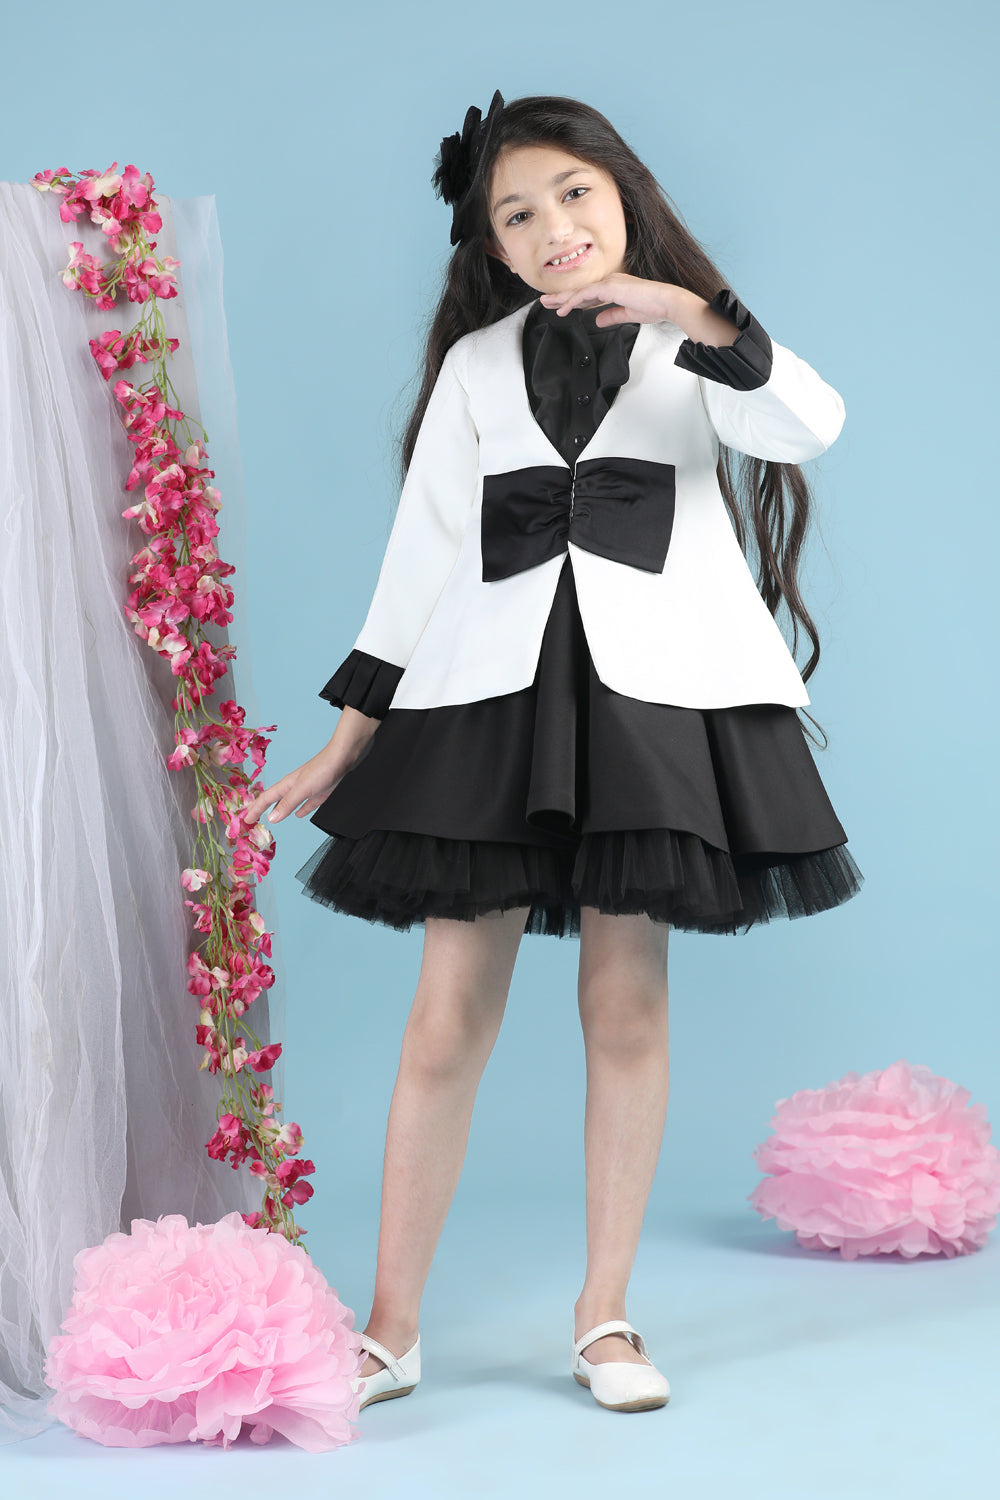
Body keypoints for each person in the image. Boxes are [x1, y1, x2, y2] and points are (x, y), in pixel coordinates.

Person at [243, 90, 864, 1415]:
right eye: (517, 215)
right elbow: (418, 562)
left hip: (652, 707)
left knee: (624, 1002)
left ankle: (606, 1318)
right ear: (493, 246)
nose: (553, 228)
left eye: (573, 195)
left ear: (623, 194)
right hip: (490, 701)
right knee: (444, 1017)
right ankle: (390, 1328)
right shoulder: (476, 368)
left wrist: (695, 313)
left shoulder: (699, 341)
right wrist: (347, 744)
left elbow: (807, 424)